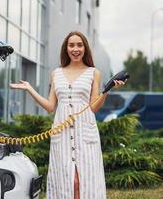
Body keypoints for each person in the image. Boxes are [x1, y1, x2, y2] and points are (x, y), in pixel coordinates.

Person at [10, 31, 125, 199]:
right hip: (61, 134)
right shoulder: (56, 73)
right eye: (72, 45)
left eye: (79, 45)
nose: (75, 49)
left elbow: (93, 107)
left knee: (83, 181)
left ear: (85, 48)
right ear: (66, 49)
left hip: (85, 132)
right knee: (66, 181)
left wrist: (107, 91)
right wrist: (30, 89)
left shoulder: (94, 73)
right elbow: (50, 106)